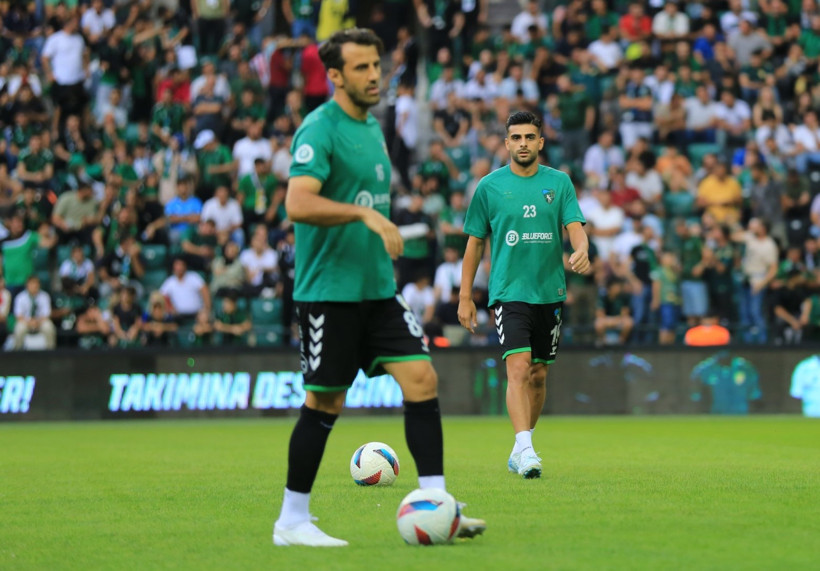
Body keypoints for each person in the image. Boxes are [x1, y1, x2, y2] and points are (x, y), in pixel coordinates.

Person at [273, 28, 485, 548]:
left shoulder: (372, 128)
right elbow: (297, 204)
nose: (375, 75)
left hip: (378, 289)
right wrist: (363, 214)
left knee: (421, 379)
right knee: (325, 403)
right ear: (337, 75)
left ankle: (438, 505)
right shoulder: (318, 129)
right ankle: (291, 521)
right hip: (330, 291)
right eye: (363, 67)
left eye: (377, 64)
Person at [458, 111, 590, 479]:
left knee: (538, 374)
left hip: (549, 292)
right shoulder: (489, 187)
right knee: (517, 368)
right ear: (506, 143)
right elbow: (474, 243)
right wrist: (465, 296)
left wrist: (582, 249)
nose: (523, 144)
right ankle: (528, 451)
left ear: (540, 143)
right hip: (508, 292)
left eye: (529, 137)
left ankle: (521, 446)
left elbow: (575, 227)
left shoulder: (559, 183)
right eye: (515, 138)